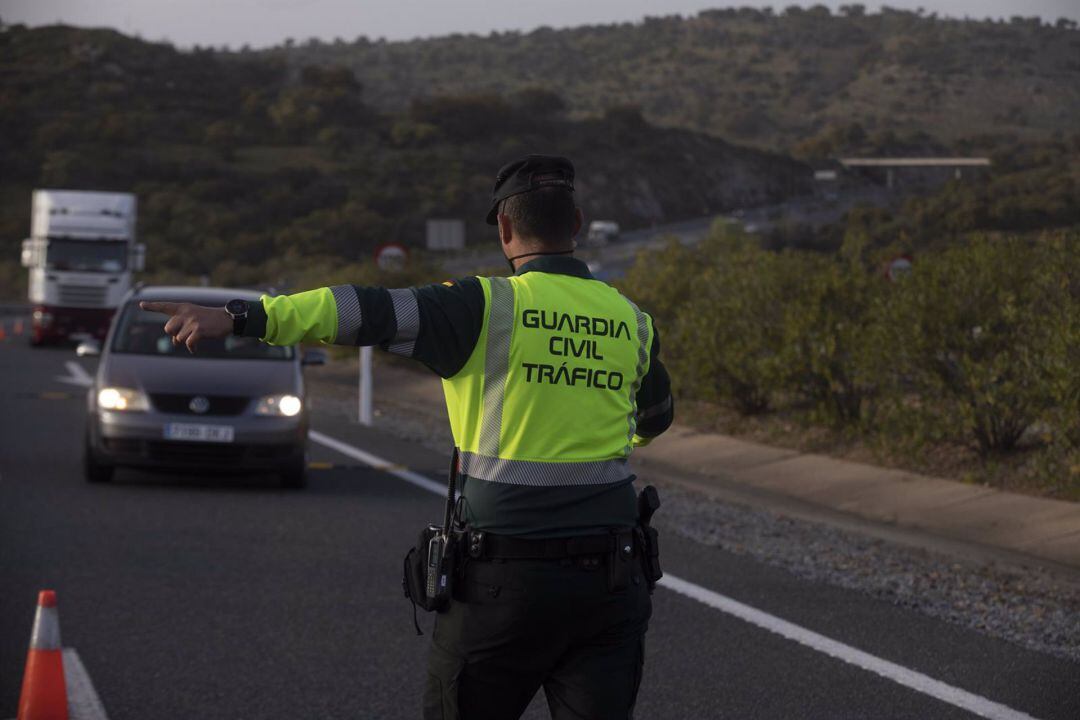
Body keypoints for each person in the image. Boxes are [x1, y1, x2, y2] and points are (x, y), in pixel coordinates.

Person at [142, 154, 673, 719]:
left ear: (505, 229)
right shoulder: (631, 320)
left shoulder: (480, 306)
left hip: (504, 586)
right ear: (578, 224)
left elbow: (359, 310)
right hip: (612, 582)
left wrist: (242, 317)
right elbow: (654, 417)